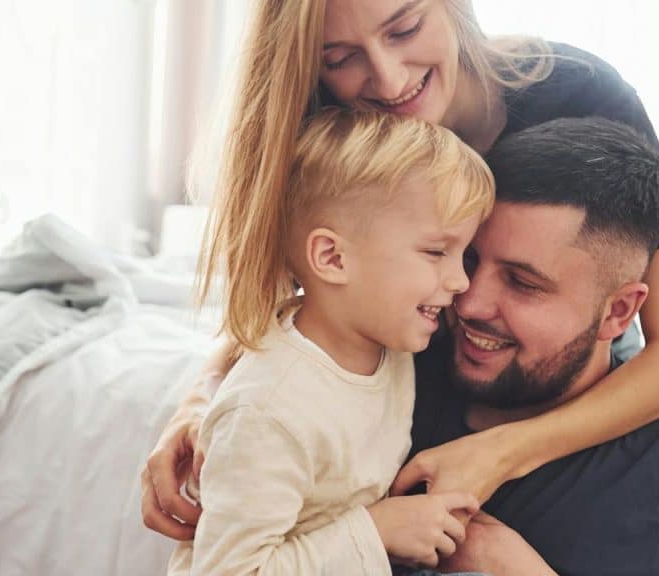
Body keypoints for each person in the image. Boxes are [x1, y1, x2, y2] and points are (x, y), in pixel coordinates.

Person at [141, 0, 659, 563]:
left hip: (563, 341)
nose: (388, 77)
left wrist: (500, 453)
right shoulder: (331, 122)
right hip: (406, 336)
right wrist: (200, 402)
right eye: (340, 57)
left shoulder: (578, 96)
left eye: (404, 28)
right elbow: (293, 305)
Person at [416, 117, 659, 575]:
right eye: (468, 259)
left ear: (618, 313)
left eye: (523, 283)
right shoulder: (392, 388)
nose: (469, 302)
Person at [168, 108, 494, 574]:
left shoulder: (384, 337)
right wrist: (377, 532)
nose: (461, 281)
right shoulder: (268, 411)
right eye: (436, 252)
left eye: (464, 254)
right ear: (332, 258)